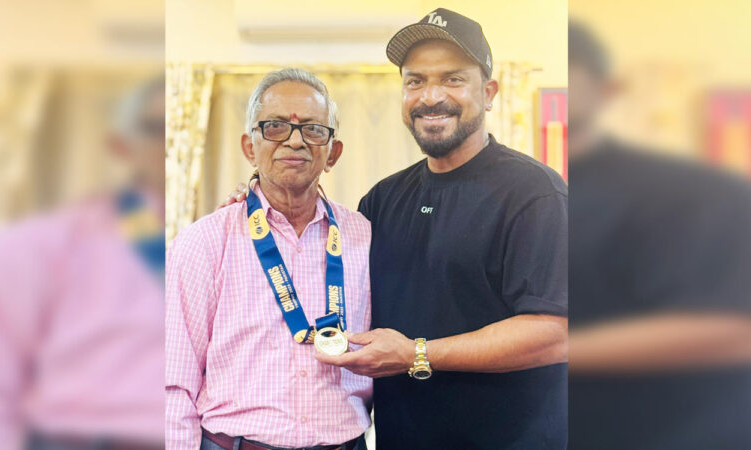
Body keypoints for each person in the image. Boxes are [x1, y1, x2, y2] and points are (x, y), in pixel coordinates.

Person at [221, 9, 568, 449]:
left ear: (489, 92)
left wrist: (416, 354)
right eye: (415, 81)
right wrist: (258, 198)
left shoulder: (534, 193)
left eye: (452, 79)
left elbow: (556, 332)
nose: (431, 96)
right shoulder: (382, 201)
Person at [165, 68, 372, 450]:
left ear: (333, 152)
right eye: (275, 126)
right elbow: (173, 384)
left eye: (313, 129)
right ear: (249, 147)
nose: (295, 141)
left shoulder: (365, 236)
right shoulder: (203, 241)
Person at [568, 21, 751, 449]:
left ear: (608, 90)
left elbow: (732, 330)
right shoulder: (548, 192)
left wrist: (548, 352)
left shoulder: (696, 192)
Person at [0, 76, 166, 450]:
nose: (175, 140)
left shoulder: (236, 240)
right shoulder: (43, 246)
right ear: (120, 146)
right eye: (159, 128)